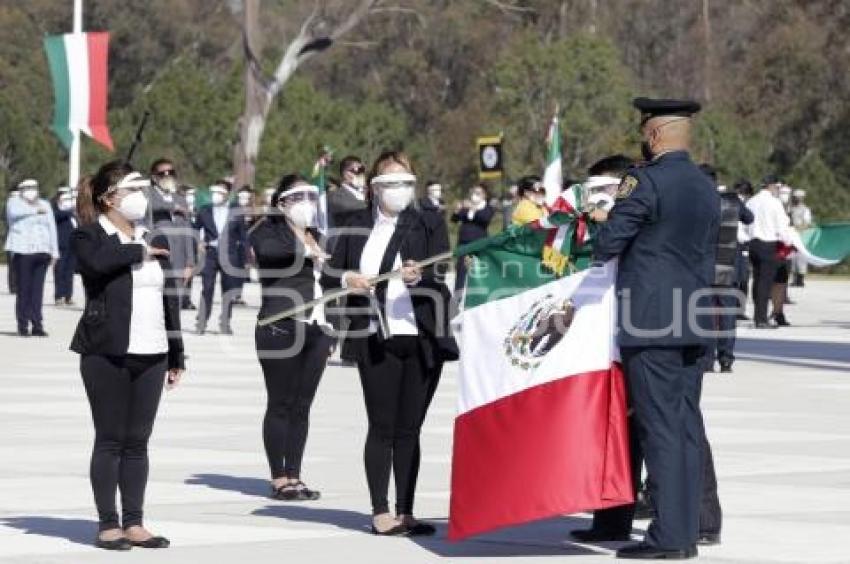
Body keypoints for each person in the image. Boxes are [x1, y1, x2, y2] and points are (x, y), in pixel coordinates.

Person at [587, 98, 720, 559]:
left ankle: (669, 537)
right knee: (683, 428)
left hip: (651, 321)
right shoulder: (705, 186)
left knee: (659, 429)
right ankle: (683, 533)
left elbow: (608, 244)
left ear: (654, 134)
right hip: (693, 316)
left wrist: (600, 221)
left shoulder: (643, 182)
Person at [321, 150, 455, 536]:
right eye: (391, 182)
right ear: (374, 187)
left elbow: (440, 269)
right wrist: (349, 278)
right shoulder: (355, 223)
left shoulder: (428, 220)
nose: (399, 189)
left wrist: (420, 277)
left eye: (405, 181)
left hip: (422, 335)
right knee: (382, 425)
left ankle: (407, 509)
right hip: (375, 336)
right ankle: (381, 511)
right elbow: (330, 272)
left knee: (410, 428)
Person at [70, 160, 185, 550]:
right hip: (107, 352)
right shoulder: (89, 236)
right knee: (111, 439)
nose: (139, 198)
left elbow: (168, 300)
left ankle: (134, 522)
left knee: (138, 440)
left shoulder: (151, 235)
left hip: (152, 351)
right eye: (130, 190)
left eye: (141, 190)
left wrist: (176, 353)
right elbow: (96, 265)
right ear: (107, 199)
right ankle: (108, 523)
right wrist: (137, 251)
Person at [250, 174, 333, 501]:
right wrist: (305, 250)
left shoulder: (319, 235)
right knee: (280, 403)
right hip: (280, 326)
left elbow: (331, 281)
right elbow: (270, 255)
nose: (307, 204)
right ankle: (278, 477)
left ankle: (296, 474)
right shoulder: (267, 231)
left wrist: (332, 329)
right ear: (281, 202)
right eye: (298, 198)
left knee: (302, 405)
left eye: (311, 197)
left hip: (317, 327)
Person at [701, 167, 754, 372]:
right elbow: (749, 218)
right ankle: (726, 359)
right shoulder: (731, 200)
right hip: (727, 263)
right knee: (727, 315)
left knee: (703, 314)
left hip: (702, 265)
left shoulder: (695, 201)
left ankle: (706, 359)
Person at [5, 179, 59, 336]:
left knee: (37, 291)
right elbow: (14, 214)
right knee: (24, 290)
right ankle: (22, 324)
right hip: (23, 252)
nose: (31, 190)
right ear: (21, 190)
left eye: (34, 187)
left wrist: (54, 252)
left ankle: (37, 325)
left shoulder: (45, 204)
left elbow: (52, 227)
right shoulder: (14, 203)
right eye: (28, 188)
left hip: (42, 251)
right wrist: (35, 211)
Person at [194, 180, 245, 334]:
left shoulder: (236, 210)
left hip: (229, 254)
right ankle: (201, 322)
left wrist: (245, 257)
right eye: (214, 192)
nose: (216, 195)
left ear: (228, 194)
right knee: (207, 288)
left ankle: (225, 323)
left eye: (220, 192)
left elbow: (243, 235)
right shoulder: (204, 210)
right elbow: (195, 229)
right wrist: (198, 242)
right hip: (210, 254)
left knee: (228, 290)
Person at [148, 159, 197, 315]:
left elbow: (188, 232)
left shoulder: (180, 198)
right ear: (154, 177)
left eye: (171, 173)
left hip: (179, 260)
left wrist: (190, 263)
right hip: (158, 258)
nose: (167, 176)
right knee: (156, 304)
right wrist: (172, 207)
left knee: (174, 305)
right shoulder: (148, 195)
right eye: (162, 173)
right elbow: (150, 207)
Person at [745, 175, 790, 328]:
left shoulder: (751, 201)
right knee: (765, 282)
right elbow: (782, 226)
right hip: (768, 244)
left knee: (757, 281)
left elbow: (745, 224)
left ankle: (758, 315)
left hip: (753, 244)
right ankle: (761, 319)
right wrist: (789, 242)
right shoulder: (774, 203)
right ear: (772, 186)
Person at [451, 184, 494, 291]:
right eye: (473, 193)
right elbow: (455, 219)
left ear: (484, 195)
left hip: (479, 244)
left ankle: (479, 293)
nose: (475, 195)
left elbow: (484, 219)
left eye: (478, 193)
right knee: (461, 271)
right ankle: (458, 295)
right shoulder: (466, 207)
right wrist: (457, 210)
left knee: (479, 270)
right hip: (464, 244)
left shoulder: (487, 208)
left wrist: (473, 208)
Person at [52, 185, 79, 306]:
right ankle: (59, 296)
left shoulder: (72, 210)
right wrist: (69, 211)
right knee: (60, 270)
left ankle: (68, 296)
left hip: (73, 243)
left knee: (69, 271)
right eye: (63, 196)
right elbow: (56, 216)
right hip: (61, 243)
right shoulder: (56, 208)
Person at [327, 155, 368, 232]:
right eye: (355, 171)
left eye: (361, 170)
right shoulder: (335, 196)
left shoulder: (367, 193)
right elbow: (352, 207)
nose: (359, 174)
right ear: (344, 173)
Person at [733, 180, 755, 320]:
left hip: (731, 244)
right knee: (742, 278)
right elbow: (748, 221)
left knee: (736, 278)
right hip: (741, 245)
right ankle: (739, 310)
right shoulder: (741, 204)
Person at [789, 189, 812, 287]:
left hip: (801, 235)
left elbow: (807, 223)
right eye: (796, 197)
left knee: (801, 257)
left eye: (799, 197)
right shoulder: (791, 209)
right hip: (792, 234)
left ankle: (800, 279)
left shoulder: (805, 209)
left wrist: (798, 229)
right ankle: (794, 279)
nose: (797, 199)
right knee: (792, 257)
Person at [5, 187, 21, 294]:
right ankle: (13, 286)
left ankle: (17, 285)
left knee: (19, 264)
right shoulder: (9, 206)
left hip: (20, 238)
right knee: (12, 264)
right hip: (12, 237)